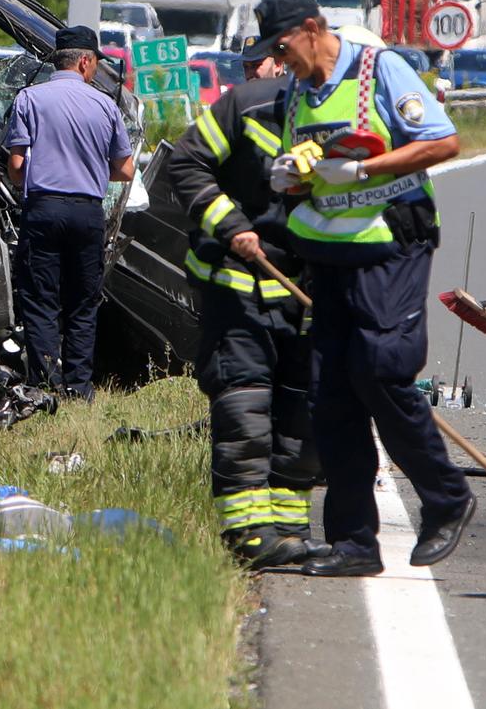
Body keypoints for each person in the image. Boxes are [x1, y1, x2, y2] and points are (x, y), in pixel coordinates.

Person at [260, 0, 474, 577]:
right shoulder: (297, 91)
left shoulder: (381, 69)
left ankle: (447, 498)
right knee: (330, 394)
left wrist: (362, 169)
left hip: (392, 244)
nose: (280, 59)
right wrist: (290, 176)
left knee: (381, 367)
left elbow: (444, 141)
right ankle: (354, 543)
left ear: (312, 28)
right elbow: (308, 169)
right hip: (330, 251)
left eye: (283, 46)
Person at [166, 28, 327, 568]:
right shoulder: (245, 106)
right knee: (245, 405)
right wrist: (232, 226)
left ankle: (289, 529)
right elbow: (185, 163)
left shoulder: (347, 116)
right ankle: (249, 536)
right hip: (238, 287)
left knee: (302, 413)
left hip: (306, 294)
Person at [3, 25, 134, 400]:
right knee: (82, 302)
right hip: (86, 213)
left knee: (40, 299)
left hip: (43, 209)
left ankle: (45, 386)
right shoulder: (106, 105)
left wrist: (38, 174)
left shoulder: (29, 98)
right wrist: (92, 170)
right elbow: (125, 170)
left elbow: (16, 166)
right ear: (85, 62)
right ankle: (79, 387)